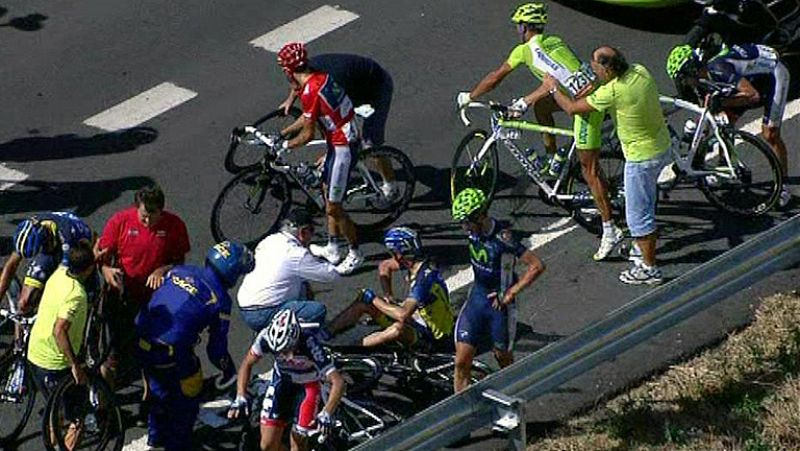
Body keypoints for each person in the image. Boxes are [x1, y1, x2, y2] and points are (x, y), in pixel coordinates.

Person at [456, 2, 623, 261]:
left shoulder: (527, 50)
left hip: (585, 108)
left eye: (518, 26)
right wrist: (530, 101)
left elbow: (497, 77)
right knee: (542, 109)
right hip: (585, 92)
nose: (517, 30)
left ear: (524, 27)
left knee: (589, 171)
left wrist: (470, 96)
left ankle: (610, 229)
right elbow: (557, 81)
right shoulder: (554, 40)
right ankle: (554, 158)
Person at [543, 45, 671, 285]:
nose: (593, 71)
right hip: (662, 146)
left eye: (596, 67)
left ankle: (649, 268)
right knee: (647, 203)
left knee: (638, 218)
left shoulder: (613, 91)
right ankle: (640, 252)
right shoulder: (639, 71)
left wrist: (552, 88)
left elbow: (571, 108)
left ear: (608, 68)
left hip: (640, 158)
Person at [135, 241, 254, 451]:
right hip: (169, 351)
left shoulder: (181, 270)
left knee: (158, 390)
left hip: (141, 337)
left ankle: (156, 437)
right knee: (188, 395)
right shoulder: (219, 301)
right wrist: (228, 370)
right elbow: (216, 350)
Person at [272, 42, 363, 274]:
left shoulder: (309, 91)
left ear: (287, 71)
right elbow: (308, 116)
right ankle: (333, 247)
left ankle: (355, 252)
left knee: (334, 207)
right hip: (341, 136)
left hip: (343, 145)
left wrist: (286, 146)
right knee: (325, 190)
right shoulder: (319, 78)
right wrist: (284, 132)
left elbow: (308, 133)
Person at [666, 42, 792, 207]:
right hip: (750, 79)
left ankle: (784, 186)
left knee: (770, 133)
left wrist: (723, 101)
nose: (683, 83)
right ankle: (724, 166)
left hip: (773, 76)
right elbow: (705, 113)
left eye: (683, 78)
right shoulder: (701, 79)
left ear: (691, 70)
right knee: (723, 120)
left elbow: (753, 95)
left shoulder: (719, 69)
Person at [451, 188, 545, 393]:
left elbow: (537, 265)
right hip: (476, 299)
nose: (464, 227)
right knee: (461, 362)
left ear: (479, 215)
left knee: (502, 358)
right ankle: (461, 417)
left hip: (500, 307)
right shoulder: (472, 232)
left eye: (466, 221)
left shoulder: (503, 238)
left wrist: (510, 293)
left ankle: (515, 399)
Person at [94, 184, 191, 382]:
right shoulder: (120, 221)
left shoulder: (175, 226)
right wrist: (106, 270)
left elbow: (179, 262)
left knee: (153, 349)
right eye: (143, 215)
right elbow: (101, 255)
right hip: (123, 295)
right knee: (115, 348)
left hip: (155, 299)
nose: (146, 221)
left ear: (161, 211)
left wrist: (162, 270)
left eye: (152, 215)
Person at [278, 51, 400, 203]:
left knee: (370, 143)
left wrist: (283, 134)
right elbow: (297, 84)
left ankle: (391, 186)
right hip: (353, 84)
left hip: (376, 89)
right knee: (328, 122)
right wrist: (289, 100)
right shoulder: (305, 68)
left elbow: (315, 117)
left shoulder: (327, 81)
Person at [227, 309, 345, 451]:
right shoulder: (265, 337)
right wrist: (240, 395)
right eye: (279, 352)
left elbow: (338, 382)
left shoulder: (310, 343)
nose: (285, 355)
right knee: (267, 446)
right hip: (282, 383)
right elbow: (247, 363)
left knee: (297, 445)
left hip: (308, 387)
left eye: (287, 349)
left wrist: (327, 412)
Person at [327, 227, 455, 349]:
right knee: (362, 302)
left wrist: (373, 299)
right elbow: (385, 266)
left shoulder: (422, 281)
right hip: (420, 320)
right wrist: (389, 297)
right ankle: (325, 334)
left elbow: (403, 315)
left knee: (397, 329)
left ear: (398, 254)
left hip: (434, 338)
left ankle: (349, 348)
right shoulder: (416, 262)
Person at [26, 240, 95, 450]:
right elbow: (60, 330)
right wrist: (74, 364)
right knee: (78, 418)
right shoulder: (76, 295)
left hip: (35, 354)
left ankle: (52, 444)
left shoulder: (58, 274)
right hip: (56, 364)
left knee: (54, 409)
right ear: (90, 268)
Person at [237, 208, 338, 333]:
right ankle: (300, 341)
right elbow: (331, 275)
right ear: (303, 231)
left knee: (303, 287)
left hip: (245, 307)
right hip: (263, 313)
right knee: (317, 311)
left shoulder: (269, 240)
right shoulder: (297, 254)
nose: (312, 236)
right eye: (312, 231)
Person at [0, 211, 93, 314]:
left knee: (67, 293)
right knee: (23, 304)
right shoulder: (28, 231)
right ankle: (20, 329)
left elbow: (65, 279)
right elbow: (11, 266)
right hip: (48, 248)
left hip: (74, 246)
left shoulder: (67, 236)